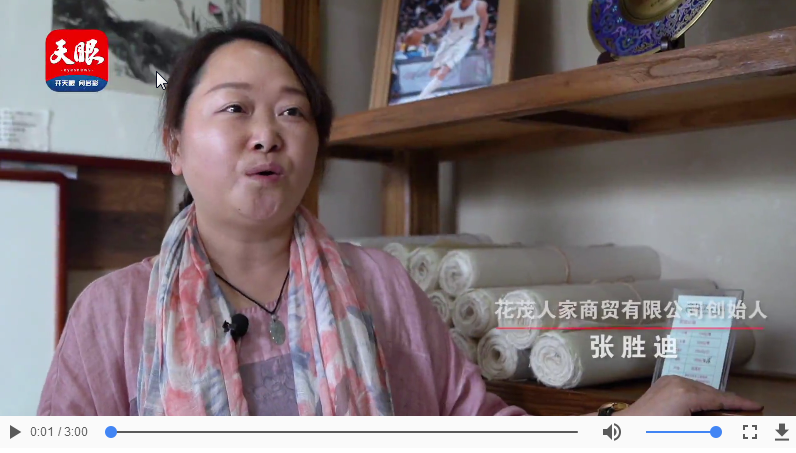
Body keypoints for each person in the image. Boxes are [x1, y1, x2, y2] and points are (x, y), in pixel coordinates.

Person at [37, 21, 762, 416]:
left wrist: (630, 426)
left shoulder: (380, 286)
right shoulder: (113, 313)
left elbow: (478, 430)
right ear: (174, 146)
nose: (267, 135)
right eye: (235, 108)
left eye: (292, 112)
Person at [413, 0, 489, 100]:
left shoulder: (479, 5)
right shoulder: (451, 8)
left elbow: (484, 18)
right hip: (449, 40)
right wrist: (422, 31)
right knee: (434, 71)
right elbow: (438, 25)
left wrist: (482, 36)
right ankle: (433, 85)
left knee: (445, 69)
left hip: (464, 41)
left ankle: (421, 96)